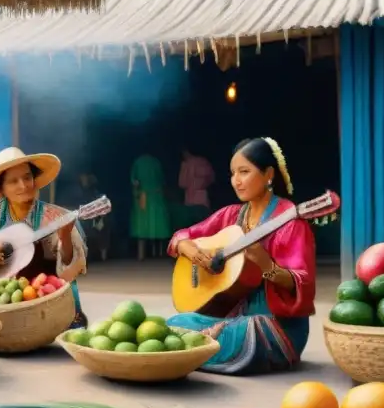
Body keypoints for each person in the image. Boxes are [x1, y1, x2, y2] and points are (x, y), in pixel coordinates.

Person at [166, 138, 316, 375]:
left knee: (244, 334)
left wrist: (266, 265)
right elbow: (182, 236)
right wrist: (188, 248)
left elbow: (303, 281)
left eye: (244, 172)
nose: (236, 180)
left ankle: (194, 351)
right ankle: (195, 349)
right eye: (233, 173)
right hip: (232, 315)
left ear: (268, 174)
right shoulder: (231, 215)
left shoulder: (290, 222)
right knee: (172, 326)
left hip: (274, 326)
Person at [0, 147, 88, 328]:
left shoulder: (55, 216)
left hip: (43, 297)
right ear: (1, 189)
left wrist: (65, 237)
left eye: (27, 177)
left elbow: (69, 268)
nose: (23, 185)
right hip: (5, 297)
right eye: (13, 181)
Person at [130, 153, 171, 260]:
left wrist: (137, 192)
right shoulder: (156, 162)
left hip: (144, 197)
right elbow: (162, 180)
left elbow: (134, 181)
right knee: (157, 224)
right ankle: (161, 253)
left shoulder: (138, 162)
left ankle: (141, 254)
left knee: (142, 226)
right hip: (156, 196)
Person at [179, 148, 215, 212]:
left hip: (190, 200)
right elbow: (212, 178)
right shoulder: (204, 162)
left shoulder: (186, 163)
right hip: (203, 198)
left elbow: (182, 184)